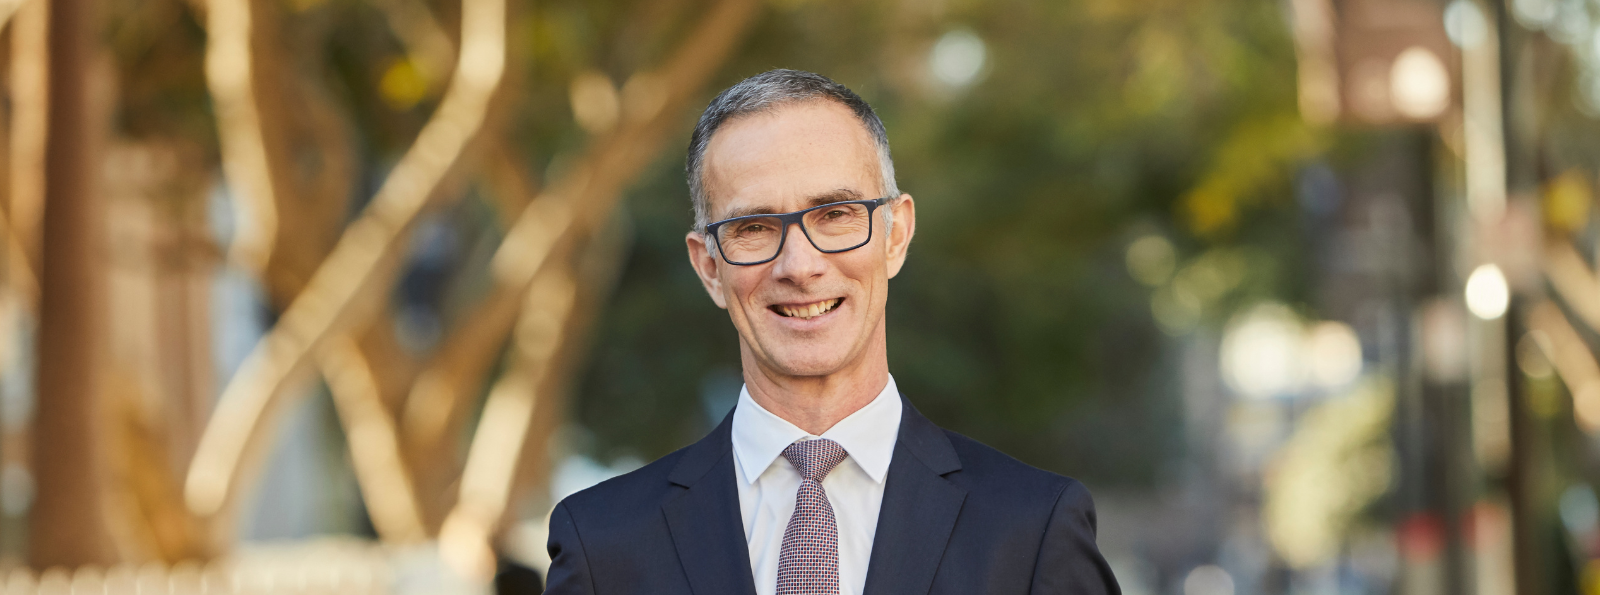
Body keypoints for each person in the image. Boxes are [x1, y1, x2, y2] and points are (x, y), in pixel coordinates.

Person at [544, 69, 1120, 595]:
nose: (799, 266)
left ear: (895, 235)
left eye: (835, 215)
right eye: (754, 226)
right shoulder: (603, 546)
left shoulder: (1033, 530)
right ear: (709, 267)